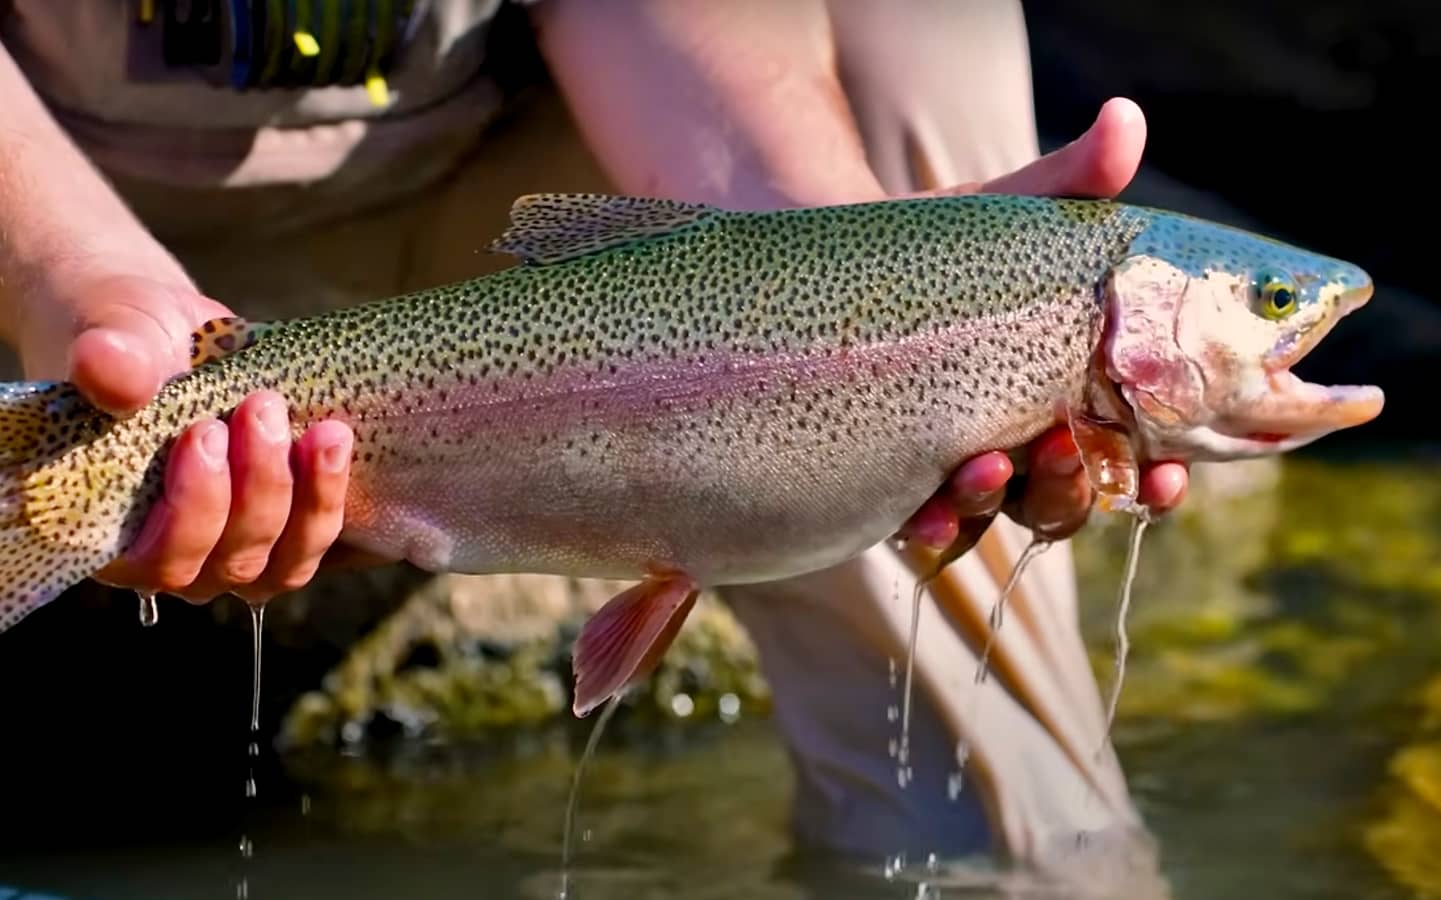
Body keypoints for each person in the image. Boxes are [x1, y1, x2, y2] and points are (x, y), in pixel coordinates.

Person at [0, 0, 1187, 890]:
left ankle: (994, 860)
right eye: (1281, 312)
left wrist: (861, 284)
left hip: (499, 230)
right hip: (54, 224)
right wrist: (76, 281)